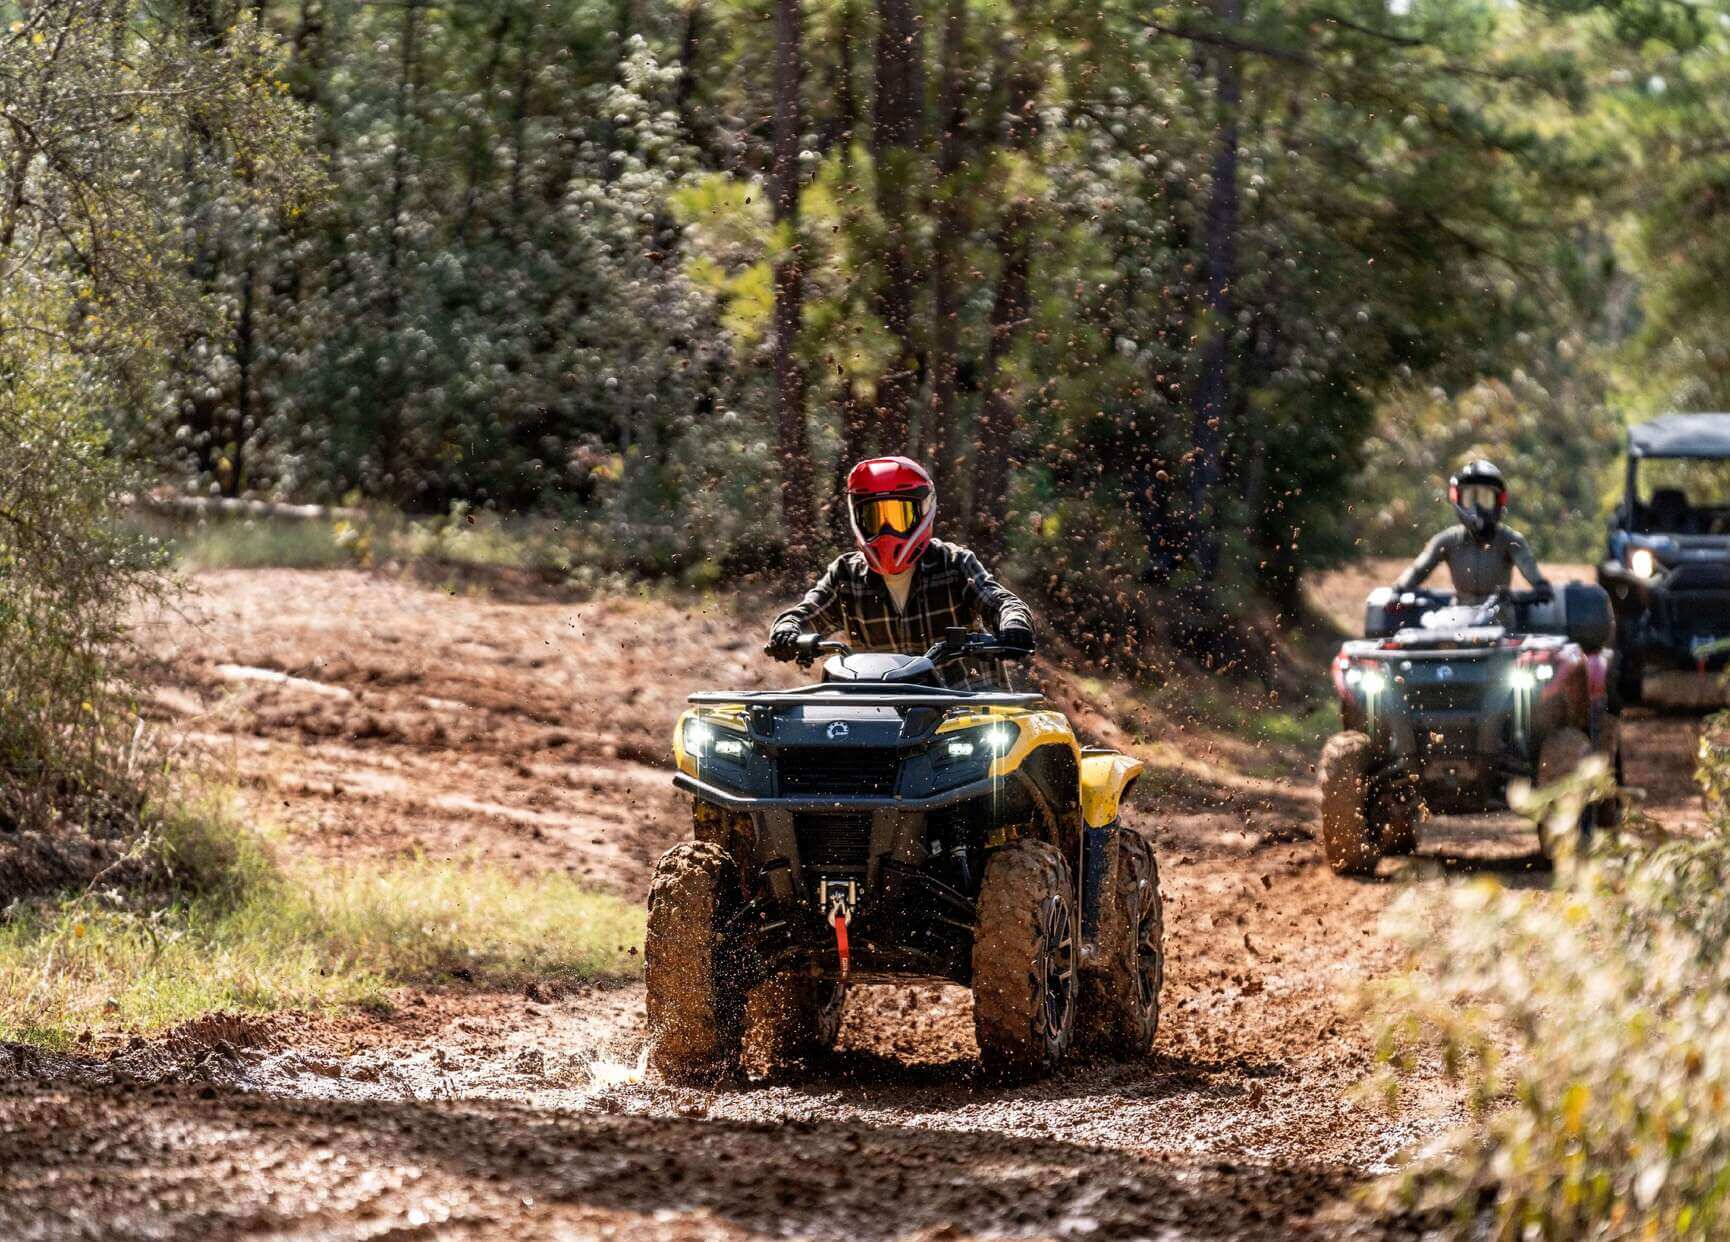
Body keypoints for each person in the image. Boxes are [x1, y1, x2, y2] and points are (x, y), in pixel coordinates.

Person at [767, 456, 1036, 661]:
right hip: (883, 720)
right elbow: (803, 615)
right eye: (874, 518)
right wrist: (787, 632)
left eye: (898, 517)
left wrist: (1014, 625)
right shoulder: (845, 576)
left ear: (924, 512)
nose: (887, 531)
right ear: (857, 519)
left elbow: (1001, 602)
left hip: (965, 711)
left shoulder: (953, 564)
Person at [1394, 459, 1552, 604]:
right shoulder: (1447, 540)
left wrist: (1541, 587)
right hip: (1457, 621)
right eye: (1470, 498)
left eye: (1485, 498)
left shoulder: (1510, 540)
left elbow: (1530, 569)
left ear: (1498, 501)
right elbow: (1418, 569)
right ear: (1458, 500)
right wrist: (1400, 588)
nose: (1477, 508)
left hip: (1501, 622)